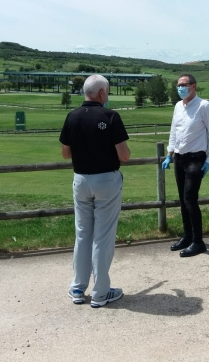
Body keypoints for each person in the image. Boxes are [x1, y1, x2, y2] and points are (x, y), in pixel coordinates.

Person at [59, 74, 130, 307]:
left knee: (83, 234)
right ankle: (100, 293)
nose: (107, 95)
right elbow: (124, 155)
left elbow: (66, 153)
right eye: (107, 92)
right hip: (107, 181)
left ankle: (78, 288)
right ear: (101, 93)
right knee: (103, 236)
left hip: (81, 180)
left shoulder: (72, 116)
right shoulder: (111, 116)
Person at [162, 74, 209, 257]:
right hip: (179, 158)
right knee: (182, 199)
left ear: (194, 86)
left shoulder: (204, 106)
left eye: (183, 85)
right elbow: (174, 131)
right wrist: (169, 153)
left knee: (190, 199)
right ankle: (187, 237)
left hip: (196, 158)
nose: (180, 88)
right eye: (178, 85)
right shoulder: (178, 106)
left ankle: (198, 241)